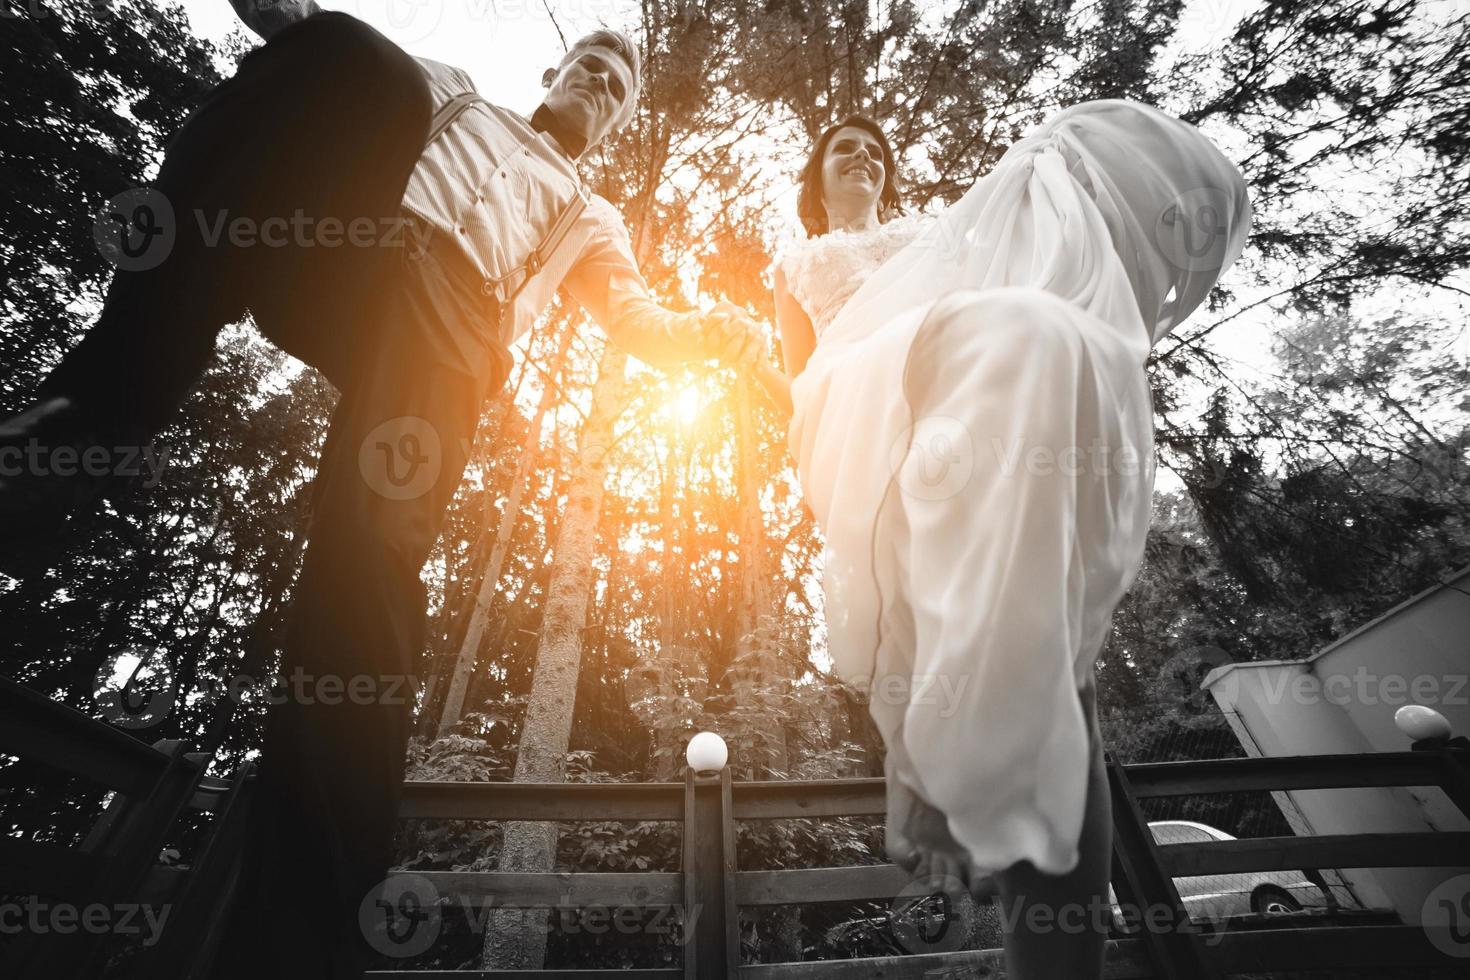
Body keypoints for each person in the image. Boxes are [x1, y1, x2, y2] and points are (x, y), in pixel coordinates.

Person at [0, 3, 762, 976]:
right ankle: (90, 415)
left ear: (615, 123)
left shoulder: (590, 213)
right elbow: (304, 36)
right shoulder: (452, 90)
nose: (601, 83)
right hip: (349, 243)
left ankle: (298, 940)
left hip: (449, 326)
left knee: (369, 566)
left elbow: (640, 319)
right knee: (360, 61)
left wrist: (715, 335)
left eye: (619, 85)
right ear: (557, 75)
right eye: (593, 64)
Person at [755, 103, 1251, 978]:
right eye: (844, 150)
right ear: (816, 178)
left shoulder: (931, 238)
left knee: (1064, 691)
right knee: (1025, 341)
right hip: (864, 407)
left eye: (875, 148)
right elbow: (797, 378)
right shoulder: (796, 261)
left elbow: (991, 277)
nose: (863, 157)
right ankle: (929, 751)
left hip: (967, 397)